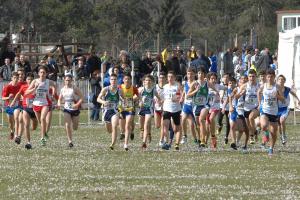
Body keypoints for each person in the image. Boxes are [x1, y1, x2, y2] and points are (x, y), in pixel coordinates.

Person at [25, 66, 56, 146]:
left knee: (43, 119)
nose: (42, 74)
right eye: (41, 72)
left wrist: (53, 92)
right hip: (36, 104)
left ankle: (42, 138)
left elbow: (55, 85)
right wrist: (34, 88)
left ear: (46, 74)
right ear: (38, 73)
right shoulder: (35, 81)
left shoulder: (48, 81)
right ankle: (45, 133)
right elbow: (27, 92)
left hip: (45, 103)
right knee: (40, 122)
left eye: (44, 72)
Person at [187, 67, 216, 147]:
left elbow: (215, 90)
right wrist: (196, 91)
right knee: (198, 126)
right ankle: (202, 138)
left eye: (202, 73)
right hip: (196, 106)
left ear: (204, 74)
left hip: (205, 105)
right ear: (197, 74)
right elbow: (187, 96)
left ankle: (203, 140)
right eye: (199, 73)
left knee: (201, 119)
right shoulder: (194, 83)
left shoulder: (207, 83)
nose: (200, 75)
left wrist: (217, 94)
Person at [257, 69, 284, 155]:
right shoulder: (263, 86)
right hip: (265, 110)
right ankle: (266, 133)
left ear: (274, 77)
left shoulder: (277, 87)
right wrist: (259, 103)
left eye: (271, 77)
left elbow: (283, 99)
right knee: (264, 126)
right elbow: (258, 92)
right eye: (268, 77)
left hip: (274, 112)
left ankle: (271, 148)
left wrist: (278, 96)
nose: (270, 78)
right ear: (266, 77)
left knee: (274, 133)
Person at [10, 73, 37, 149]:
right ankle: (27, 142)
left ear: (33, 80)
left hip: (35, 109)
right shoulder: (24, 87)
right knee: (25, 124)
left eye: (31, 79)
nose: (30, 81)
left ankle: (20, 136)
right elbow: (18, 94)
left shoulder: (37, 87)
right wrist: (13, 102)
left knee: (34, 126)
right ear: (26, 80)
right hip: (26, 108)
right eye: (28, 79)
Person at [97, 74, 123, 150]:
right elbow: (98, 99)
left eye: (115, 79)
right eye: (112, 79)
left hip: (115, 111)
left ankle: (112, 144)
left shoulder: (119, 90)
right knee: (109, 130)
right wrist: (103, 102)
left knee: (114, 126)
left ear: (117, 81)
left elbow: (124, 100)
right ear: (110, 81)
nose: (113, 81)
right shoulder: (105, 89)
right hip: (106, 111)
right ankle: (113, 135)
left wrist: (123, 106)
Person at [57, 74, 83, 147]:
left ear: (71, 80)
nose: (67, 82)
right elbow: (59, 98)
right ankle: (70, 141)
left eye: (69, 80)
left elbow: (81, 97)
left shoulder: (74, 88)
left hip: (75, 109)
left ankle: (74, 126)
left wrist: (77, 105)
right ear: (64, 81)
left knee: (75, 127)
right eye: (66, 80)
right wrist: (59, 103)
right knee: (67, 125)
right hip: (66, 109)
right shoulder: (62, 89)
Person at [161, 71, 182, 150]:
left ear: (174, 78)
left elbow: (181, 95)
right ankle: (166, 142)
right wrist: (160, 101)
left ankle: (176, 144)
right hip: (167, 108)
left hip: (176, 109)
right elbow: (164, 97)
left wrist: (177, 98)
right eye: (169, 77)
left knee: (176, 129)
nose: (170, 78)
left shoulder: (177, 86)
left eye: (171, 77)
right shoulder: (165, 86)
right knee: (165, 125)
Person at [139, 74, 161, 149]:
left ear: (151, 82)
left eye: (149, 80)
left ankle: (144, 142)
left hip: (149, 109)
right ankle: (147, 133)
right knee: (142, 126)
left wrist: (160, 102)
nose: (148, 82)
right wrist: (139, 101)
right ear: (144, 82)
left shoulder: (153, 90)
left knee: (146, 124)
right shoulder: (141, 89)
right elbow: (135, 97)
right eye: (146, 80)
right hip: (142, 109)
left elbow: (159, 98)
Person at [277, 75, 300, 145]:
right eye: (279, 79)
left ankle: (284, 135)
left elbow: (294, 93)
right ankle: (281, 136)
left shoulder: (287, 89)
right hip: (276, 109)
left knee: (282, 120)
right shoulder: (275, 89)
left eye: (282, 79)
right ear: (277, 81)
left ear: (284, 81)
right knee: (278, 125)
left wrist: (298, 100)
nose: (281, 81)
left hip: (285, 108)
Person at [206, 72, 226, 149]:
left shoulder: (218, 86)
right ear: (208, 79)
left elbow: (226, 88)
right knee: (207, 126)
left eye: (215, 78)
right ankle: (205, 142)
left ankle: (213, 137)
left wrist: (227, 84)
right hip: (208, 107)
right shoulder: (206, 86)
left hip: (216, 107)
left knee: (211, 119)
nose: (213, 80)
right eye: (212, 79)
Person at [119, 74, 139, 150]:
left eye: (128, 79)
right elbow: (118, 95)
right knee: (123, 126)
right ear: (123, 80)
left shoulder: (133, 88)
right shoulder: (120, 87)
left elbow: (137, 95)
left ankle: (126, 144)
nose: (127, 80)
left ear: (130, 80)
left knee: (128, 125)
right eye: (125, 79)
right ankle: (122, 132)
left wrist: (133, 99)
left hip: (130, 108)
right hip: (122, 108)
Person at [180, 67, 199, 145]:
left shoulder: (196, 83)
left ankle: (196, 139)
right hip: (186, 104)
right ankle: (184, 136)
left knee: (192, 125)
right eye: (188, 73)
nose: (190, 75)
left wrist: (195, 91)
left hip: (194, 106)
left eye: (191, 73)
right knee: (183, 119)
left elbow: (196, 93)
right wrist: (182, 96)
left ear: (194, 74)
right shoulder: (185, 82)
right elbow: (185, 91)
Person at [2, 72, 21, 140]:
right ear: (11, 78)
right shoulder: (7, 87)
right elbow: (3, 98)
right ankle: (12, 131)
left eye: (17, 78)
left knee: (16, 118)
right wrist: (8, 98)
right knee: (10, 122)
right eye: (14, 78)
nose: (16, 79)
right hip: (9, 106)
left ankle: (16, 135)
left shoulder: (20, 86)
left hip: (17, 106)